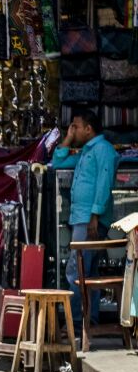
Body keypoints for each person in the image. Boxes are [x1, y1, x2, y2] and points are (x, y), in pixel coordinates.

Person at [52, 109, 119, 329]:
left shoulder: (104, 151)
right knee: (88, 271)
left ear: (88, 129)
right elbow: (58, 163)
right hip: (81, 217)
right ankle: (89, 320)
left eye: (76, 127)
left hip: (90, 219)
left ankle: (77, 321)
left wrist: (94, 217)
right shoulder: (86, 151)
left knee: (76, 269)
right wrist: (69, 138)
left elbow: (103, 185)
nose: (73, 130)